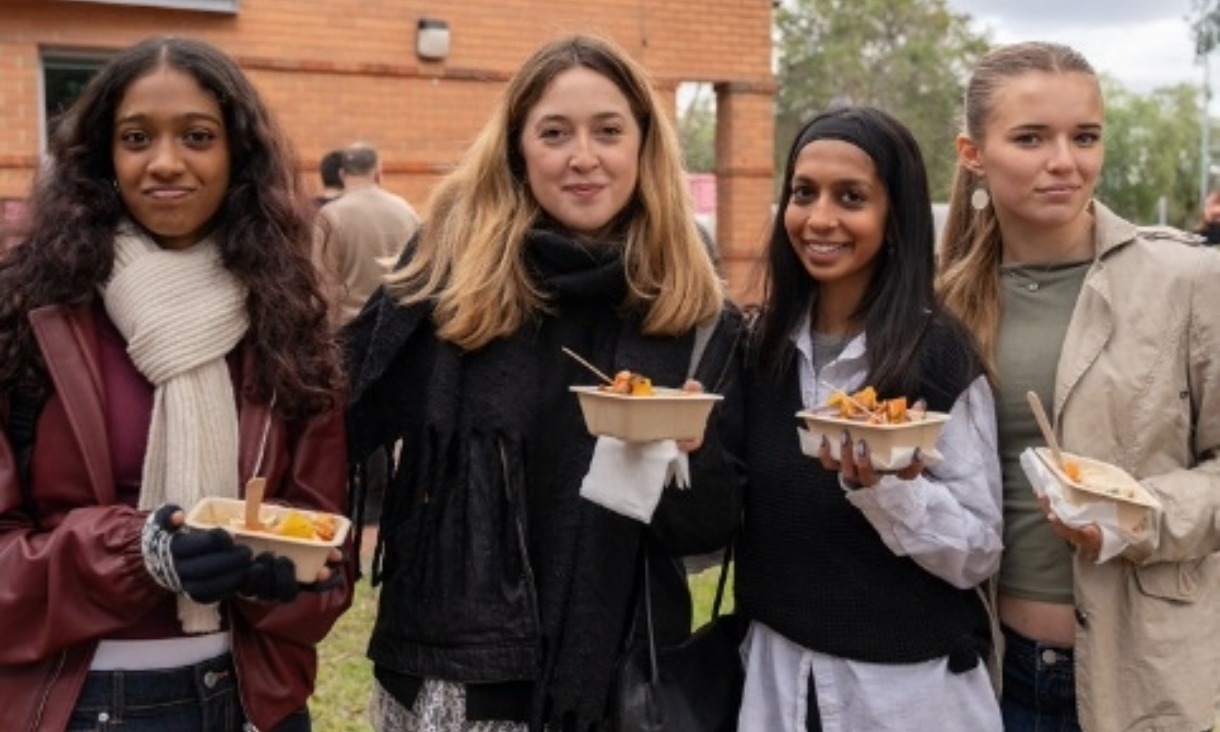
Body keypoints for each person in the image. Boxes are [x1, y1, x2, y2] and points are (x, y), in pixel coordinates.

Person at [343, 33, 744, 732]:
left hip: (615, 680)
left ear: (644, 146)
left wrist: (685, 455)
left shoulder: (693, 309)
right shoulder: (448, 272)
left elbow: (701, 530)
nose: (582, 157)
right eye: (554, 132)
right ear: (518, 150)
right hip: (453, 673)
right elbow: (338, 409)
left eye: (608, 131)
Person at [0, 35, 352, 731]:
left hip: (249, 705)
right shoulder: (24, 315)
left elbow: (324, 571)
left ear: (236, 157)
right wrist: (140, 553)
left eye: (197, 136)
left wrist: (275, 577)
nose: (165, 162)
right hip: (75, 708)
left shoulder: (288, 319)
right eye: (136, 137)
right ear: (102, 155)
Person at [937, 41, 1220, 732]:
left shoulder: (1187, 281)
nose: (1065, 161)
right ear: (973, 153)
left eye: (1084, 137)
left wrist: (1140, 513)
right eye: (1031, 138)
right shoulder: (939, 301)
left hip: (1147, 675)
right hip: (983, 673)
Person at [734, 106, 1004, 732]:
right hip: (777, 680)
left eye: (851, 197)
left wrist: (886, 489)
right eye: (804, 193)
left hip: (904, 696)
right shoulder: (759, 350)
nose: (820, 218)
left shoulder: (937, 357)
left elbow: (978, 552)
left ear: (896, 220)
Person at [313, 142, 420, 329]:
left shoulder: (330, 216)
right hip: (393, 326)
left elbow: (323, 283)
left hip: (348, 329)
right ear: (379, 172)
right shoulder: (406, 212)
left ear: (342, 175)